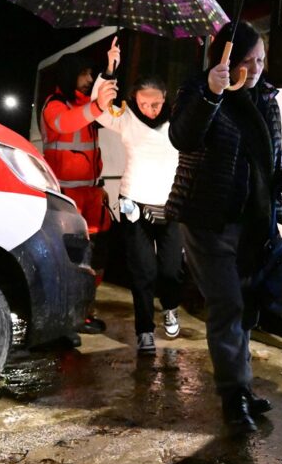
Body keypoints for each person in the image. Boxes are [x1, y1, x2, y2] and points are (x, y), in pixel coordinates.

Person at [166, 20, 282, 434]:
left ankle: (241, 387)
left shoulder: (266, 99)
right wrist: (212, 91)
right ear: (224, 60)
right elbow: (183, 136)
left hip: (254, 225)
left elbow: (271, 157)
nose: (257, 68)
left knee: (245, 309)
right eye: (248, 61)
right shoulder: (200, 89)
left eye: (261, 59)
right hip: (209, 220)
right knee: (227, 306)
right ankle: (232, 398)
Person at [94, 74, 183, 355]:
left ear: (165, 99)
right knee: (143, 271)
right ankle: (144, 331)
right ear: (135, 100)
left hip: (171, 206)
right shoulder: (126, 118)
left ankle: (170, 309)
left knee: (171, 270)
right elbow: (99, 106)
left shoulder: (179, 120)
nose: (150, 109)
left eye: (156, 103)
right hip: (134, 205)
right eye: (144, 103)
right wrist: (108, 73)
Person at [42, 40, 120, 334]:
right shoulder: (54, 105)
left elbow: (99, 104)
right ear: (70, 74)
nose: (90, 79)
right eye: (85, 74)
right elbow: (65, 123)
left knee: (95, 258)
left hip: (90, 198)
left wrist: (110, 68)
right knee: (70, 260)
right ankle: (63, 319)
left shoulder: (85, 106)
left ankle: (84, 312)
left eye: (91, 74)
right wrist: (98, 104)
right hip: (66, 201)